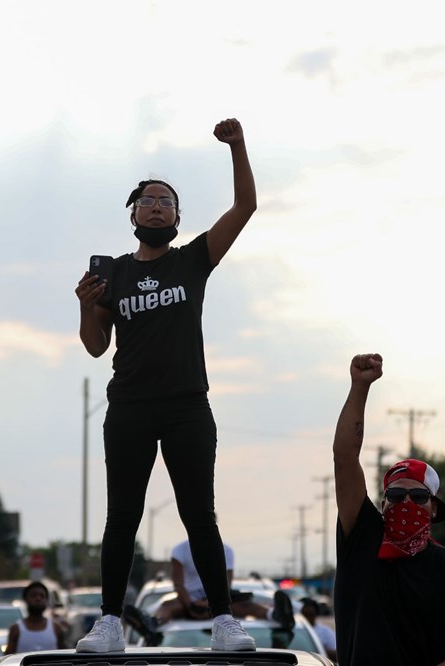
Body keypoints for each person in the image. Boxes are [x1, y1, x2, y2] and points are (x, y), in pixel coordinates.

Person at [74, 118, 257, 653]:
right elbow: (94, 345)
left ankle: (224, 621)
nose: (157, 206)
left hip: (186, 407)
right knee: (122, 517)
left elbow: (244, 208)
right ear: (132, 215)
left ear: (178, 217)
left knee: (199, 512)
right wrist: (87, 306)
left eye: (167, 201)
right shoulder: (114, 275)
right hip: (129, 406)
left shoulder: (192, 261)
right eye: (148, 200)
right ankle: (110, 623)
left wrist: (237, 148)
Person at [332, 353, 445, 665]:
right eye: (396, 495)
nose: (405, 503)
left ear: (432, 508)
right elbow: (345, 457)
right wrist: (360, 386)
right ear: (383, 502)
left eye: (417, 497)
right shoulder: (361, 539)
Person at [154, 539, 294, 628]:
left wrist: (208, 603)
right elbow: (178, 584)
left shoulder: (226, 551)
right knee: (168, 606)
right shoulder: (180, 550)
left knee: (246, 605)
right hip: (189, 601)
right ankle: (154, 622)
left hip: (216, 601)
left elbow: (226, 584)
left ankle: (275, 615)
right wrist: (191, 605)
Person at [6, 581, 68, 653]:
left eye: (42, 596)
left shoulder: (56, 628)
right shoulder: (16, 629)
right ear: (26, 599)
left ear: (46, 600)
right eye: (33, 595)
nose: (38, 599)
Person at [299, 598, 337, 662]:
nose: (307, 618)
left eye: (311, 614)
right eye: (305, 615)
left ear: (316, 614)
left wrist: (319, 649)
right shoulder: (291, 631)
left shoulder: (325, 631)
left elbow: (335, 654)